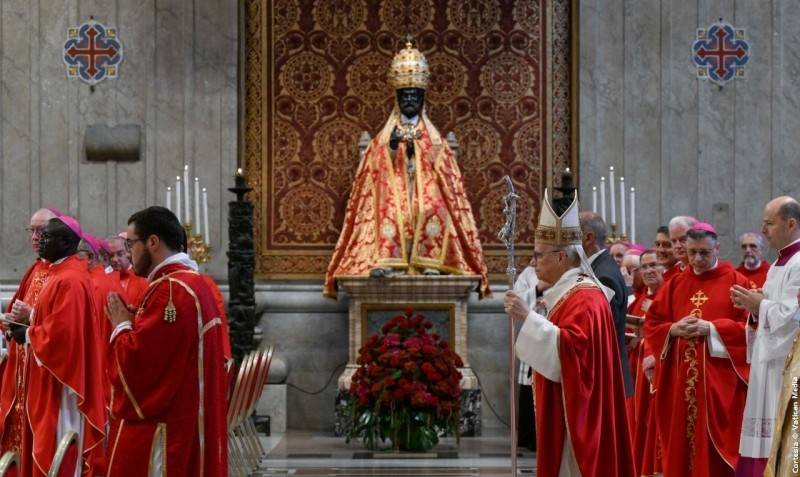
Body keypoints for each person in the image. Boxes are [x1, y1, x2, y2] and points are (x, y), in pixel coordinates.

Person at [324, 41, 490, 298]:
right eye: (405, 96)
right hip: (394, 189)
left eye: (414, 95)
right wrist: (392, 146)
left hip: (425, 191)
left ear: (422, 99)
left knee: (431, 208)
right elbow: (374, 168)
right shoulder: (385, 135)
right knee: (387, 208)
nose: (410, 100)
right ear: (397, 99)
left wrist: (420, 150)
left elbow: (446, 172)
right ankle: (387, 262)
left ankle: (430, 263)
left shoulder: (434, 137)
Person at [506, 191, 634, 477]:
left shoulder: (584, 297)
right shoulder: (573, 292)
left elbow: (575, 351)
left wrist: (528, 318)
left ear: (561, 256)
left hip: (578, 416)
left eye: (539, 255)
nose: (534, 262)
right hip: (567, 407)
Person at [104, 206, 227, 476]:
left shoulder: (170, 292)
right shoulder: (195, 284)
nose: (129, 253)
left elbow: (141, 368)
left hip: (168, 431)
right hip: (188, 418)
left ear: (152, 242)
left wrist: (121, 325)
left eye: (131, 244)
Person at [1, 216, 106, 475]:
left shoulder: (70, 279)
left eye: (45, 236)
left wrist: (29, 333)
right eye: (36, 232)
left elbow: (64, 336)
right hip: (40, 374)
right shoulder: (50, 270)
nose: (39, 240)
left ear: (66, 242)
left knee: (55, 448)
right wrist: (20, 322)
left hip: (58, 383)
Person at [644, 223, 750, 476]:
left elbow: (750, 328)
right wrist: (673, 329)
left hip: (719, 386)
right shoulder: (674, 284)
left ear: (717, 248)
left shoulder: (737, 282)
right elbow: (653, 323)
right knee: (682, 446)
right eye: (692, 252)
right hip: (679, 383)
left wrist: (712, 328)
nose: (697, 259)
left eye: (704, 252)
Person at [730, 197, 800, 477]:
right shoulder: (778, 264)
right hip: (769, 361)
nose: (763, 230)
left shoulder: (799, 262)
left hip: (787, 366)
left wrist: (760, 305)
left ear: (790, 224)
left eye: (769, 223)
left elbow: (794, 317)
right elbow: (774, 310)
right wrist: (754, 308)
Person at [0, 208, 61, 463]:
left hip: (43, 368)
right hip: (22, 366)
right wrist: (10, 319)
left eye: (41, 231)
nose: (35, 237)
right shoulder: (35, 269)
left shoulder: (64, 275)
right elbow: (15, 311)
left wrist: (31, 316)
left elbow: (63, 328)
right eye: (32, 231)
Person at [579, 211, 632, 396]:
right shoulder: (598, 268)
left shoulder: (603, 276)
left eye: (571, 235)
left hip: (605, 377)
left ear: (588, 238)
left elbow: (601, 331)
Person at [628, 249, 665, 476]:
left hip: (655, 367)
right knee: (637, 419)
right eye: (645, 267)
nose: (649, 271)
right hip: (636, 366)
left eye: (654, 265)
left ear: (663, 268)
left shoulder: (667, 295)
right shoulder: (639, 299)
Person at [512, 262, 541, 452]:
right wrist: (537, 291)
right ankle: (528, 435)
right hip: (533, 331)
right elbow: (517, 299)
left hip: (551, 330)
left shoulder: (566, 273)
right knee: (528, 387)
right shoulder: (528, 273)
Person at [107, 234, 148, 305]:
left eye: (120, 254)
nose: (115, 259)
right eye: (111, 256)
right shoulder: (105, 278)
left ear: (129, 252)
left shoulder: (141, 278)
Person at [665, 216, 699, 281]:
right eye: (674, 241)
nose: (678, 246)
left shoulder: (706, 271)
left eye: (683, 239)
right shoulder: (668, 277)